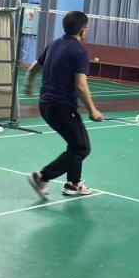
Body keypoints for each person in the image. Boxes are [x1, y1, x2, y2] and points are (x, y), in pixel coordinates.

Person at [23, 11, 103, 198]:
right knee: (82, 147)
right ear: (82, 30)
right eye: (87, 27)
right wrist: (93, 110)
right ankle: (42, 177)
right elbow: (81, 85)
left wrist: (28, 86)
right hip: (61, 108)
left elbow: (33, 68)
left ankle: (73, 184)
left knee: (75, 143)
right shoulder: (79, 51)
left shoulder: (54, 45)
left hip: (45, 105)